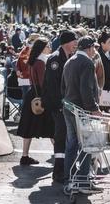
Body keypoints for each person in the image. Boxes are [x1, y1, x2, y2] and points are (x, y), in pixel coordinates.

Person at [61, 36, 102, 194]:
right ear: (90, 48)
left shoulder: (70, 61)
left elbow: (63, 87)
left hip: (69, 107)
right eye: (94, 48)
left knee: (71, 144)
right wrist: (93, 108)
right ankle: (83, 181)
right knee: (87, 144)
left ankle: (69, 179)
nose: (95, 51)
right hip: (81, 109)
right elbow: (86, 89)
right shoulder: (87, 63)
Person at [42, 30, 77, 183]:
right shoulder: (55, 59)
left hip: (66, 105)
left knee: (66, 137)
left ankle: (66, 168)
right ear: (66, 43)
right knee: (61, 137)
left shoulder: (68, 57)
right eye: (73, 41)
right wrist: (60, 105)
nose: (75, 44)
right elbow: (52, 85)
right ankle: (58, 171)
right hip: (59, 106)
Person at [17, 37, 54, 166]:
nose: (50, 47)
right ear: (43, 48)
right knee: (52, 126)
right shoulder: (42, 62)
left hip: (32, 96)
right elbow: (45, 82)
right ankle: (60, 155)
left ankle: (24, 156)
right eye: (48, 45)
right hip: (41, 96)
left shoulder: (34, 61)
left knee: (28, 127)